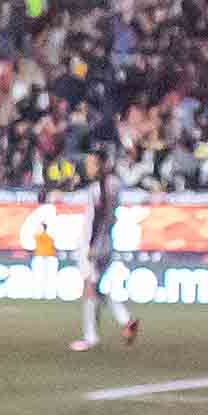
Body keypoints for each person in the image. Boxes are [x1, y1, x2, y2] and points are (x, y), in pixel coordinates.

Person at [75, 150, 140, 350]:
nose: (88, 167)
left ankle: (90, 337)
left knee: (89, 287)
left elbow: (97, 218)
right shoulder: (114, 184)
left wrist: (91, 245)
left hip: (95, 243)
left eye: (91, 163)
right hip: (107, 243)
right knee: (96, 289)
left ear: (101, 165)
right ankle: (126, 319)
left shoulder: (98, 189)